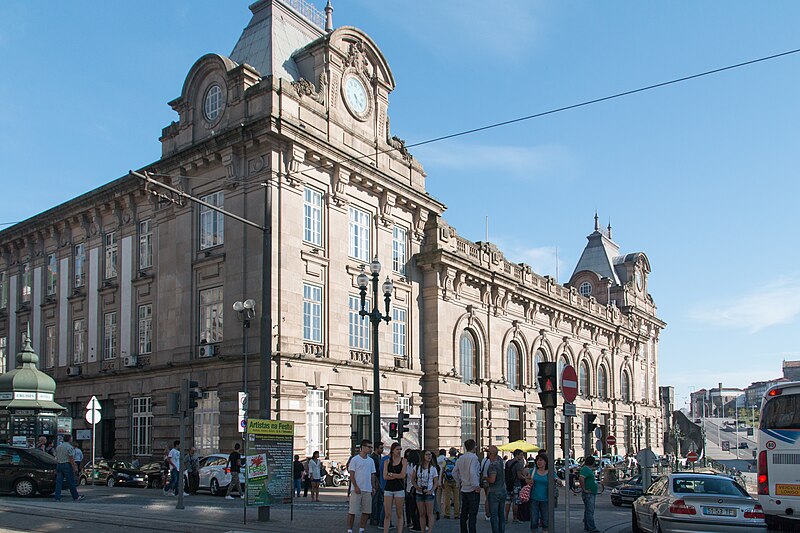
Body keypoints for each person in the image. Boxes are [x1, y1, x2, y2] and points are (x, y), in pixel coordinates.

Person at [347, 439, 377, 533]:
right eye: (368, 447)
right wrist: (355, 486)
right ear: (363, 447)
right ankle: (350, 529)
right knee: (352, 511)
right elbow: (352, 473)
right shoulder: (355, 459)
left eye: (371, 447)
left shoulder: (371, 461)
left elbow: (372, 474)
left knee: (366, 511)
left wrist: (373, 486)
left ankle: (362, 528)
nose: (370, 449)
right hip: (357, 488)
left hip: (367, 489)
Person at [452, 439, 481, 533]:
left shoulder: (461, 458)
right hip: (472, 489)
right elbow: (472, 471)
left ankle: (463, 531)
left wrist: (459, 481)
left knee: (464, 513)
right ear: (474, 447)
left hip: (464, 488)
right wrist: (476, 485)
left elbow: (454, 472)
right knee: (473, 514)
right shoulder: (474, 458)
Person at [383, 442, 407, 533]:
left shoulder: (403, 461)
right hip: (388, 488)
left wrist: (392, 474)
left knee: (399, 513)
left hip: (399, 489)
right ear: (392, 450)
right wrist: (396, 475)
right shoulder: (387, 461)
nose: (399, 451)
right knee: (387, 514)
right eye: (397, 449)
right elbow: (385, 476)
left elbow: (403, 475)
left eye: (400, 449)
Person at [412, 450, 438, 533]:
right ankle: (423, 530)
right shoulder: (417, 467)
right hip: (419, 493)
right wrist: (416, 487)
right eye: (427, 455)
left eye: (430, 454)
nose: (429, 456)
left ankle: (429, 531)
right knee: (421, 514)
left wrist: (431, 490)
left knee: (430, 513)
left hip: (429, 493)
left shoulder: (433, 469)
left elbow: (436, 482)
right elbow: (413, 480)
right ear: (423, 456)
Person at [54, 434, 83, 502]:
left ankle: (57, 497)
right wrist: (74, 467)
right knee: (71, 481)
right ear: (70, 439)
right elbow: (71, 458)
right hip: (67, 465)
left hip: (59, 464)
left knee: (59, 482)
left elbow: (56, 456)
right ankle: (75, 496)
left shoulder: (58, 447)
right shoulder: (70, 447)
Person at [485, 445, 506, 533]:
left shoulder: (492, 465)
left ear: (490, 454)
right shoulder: (500, 460)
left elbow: (492, 480)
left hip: (494, 492)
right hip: (503, 490)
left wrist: (485, 478)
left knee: (494, 515)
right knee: (501, 514)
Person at [527, 454, 550, 533]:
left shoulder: (550, 472)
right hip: (534, 498)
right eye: (537, 460)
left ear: (545, 462)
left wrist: (557, 481)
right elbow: (527, 479)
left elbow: (558, 480)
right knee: (534, 520)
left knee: (545, 520)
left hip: (546, 499)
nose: (538, 462)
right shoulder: (533, 471)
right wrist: (528, 481)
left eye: (541, 460)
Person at [504, 449, 527, 523]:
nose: (522, 456)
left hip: (508, 484)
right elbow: (519, 476)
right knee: (515, 502)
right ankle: (515, 518)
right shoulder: (518, 464)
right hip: (516, 484)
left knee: (508, 502)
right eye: (521, 455)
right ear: (517, 455)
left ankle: (506, 518)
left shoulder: (508, 462)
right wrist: (525, 478)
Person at [579, 456, 600, 533]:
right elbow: (581, 479)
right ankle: (592, 528)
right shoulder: (585, 469)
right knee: (590, 511)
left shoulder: (587, 469)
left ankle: (587, 527)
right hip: (589, 494)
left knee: (588, 511)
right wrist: (584, 489)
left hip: (591, 493)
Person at [405, 449, 421, 532]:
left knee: (412, 508)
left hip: (410, 488)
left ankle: (415, 525)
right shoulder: (419, 466)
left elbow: (405, 475)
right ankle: (420, 525)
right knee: (419, 509)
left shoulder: (409, 466)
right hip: (418, 489)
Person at [442, 447, 460, 519]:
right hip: (455, 481)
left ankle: (447, 514)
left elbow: (443, 471)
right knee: (456, 498)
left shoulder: (445, 460)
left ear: (449, 453)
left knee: (447, 498)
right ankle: (456, 514)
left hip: (447, 480)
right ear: (455, 453)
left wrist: (441, 480)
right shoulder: (457, 460)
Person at [370, 441, 385, 526]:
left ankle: (378, 518)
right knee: (375, 501)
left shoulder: (379, 456)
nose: (382, 450)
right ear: (376, 448)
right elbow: (374, 472)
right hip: (377, 481)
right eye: (381, 448)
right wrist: (375, 483)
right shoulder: (373, 457)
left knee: (380, 501)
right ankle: (374, 518)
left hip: (379, 481)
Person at [436, 449, 447, 518]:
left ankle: (438, 510)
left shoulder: (437, 459)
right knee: (445, 496)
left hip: (437, 479)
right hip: (444, 479)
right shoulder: (446, 460)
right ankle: (444, 511)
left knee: (438, 496)